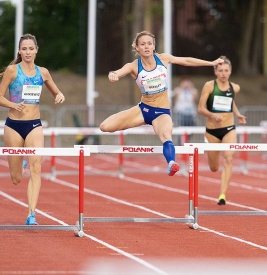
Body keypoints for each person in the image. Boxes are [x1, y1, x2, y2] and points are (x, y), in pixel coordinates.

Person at [100, 31, 224, 176]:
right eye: (143, 44)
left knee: (166, 135)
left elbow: (187, 61)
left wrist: (211, 63)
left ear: (153, 46)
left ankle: (171, 163)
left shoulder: (163, 59)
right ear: (137, 48)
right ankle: (141, 123)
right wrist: (112, 75)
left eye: (149, 43)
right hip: (143, 110)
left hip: (161, 112)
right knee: (105, 127)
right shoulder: (133, 66)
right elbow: (117, 72)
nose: (146, 47)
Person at [0, 34, 65, 225]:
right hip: (14, 126)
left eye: (31, 48)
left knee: (37, 167)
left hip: (34, 125)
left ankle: (31, 214)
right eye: (24, 49)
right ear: (19, 51)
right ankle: (19, 166)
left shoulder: (43, 73)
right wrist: (13, 104)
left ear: (36, 50)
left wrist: (59, 96)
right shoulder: (12, 71)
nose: (27, 52)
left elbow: (56, 92)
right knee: (16, 178)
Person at [197, 56, 246, 205]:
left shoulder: (235, 87)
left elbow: (230, 102)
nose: (223, 73)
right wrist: (212, 115)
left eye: (226, 70)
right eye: (220, 71)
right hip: (212, 131)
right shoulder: (209, 86)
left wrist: (237, 115)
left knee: (229, 158)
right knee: (214, 168)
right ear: (215, 71)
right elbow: (200, 108)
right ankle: (211, 157)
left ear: (230, 71)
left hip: (229, 128)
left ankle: (222, 195)